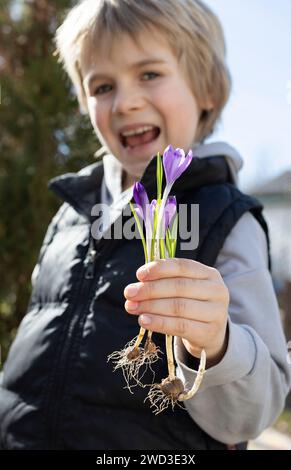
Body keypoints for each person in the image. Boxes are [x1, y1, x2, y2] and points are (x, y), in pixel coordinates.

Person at [0, 0, 290, 450]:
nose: (126, 102)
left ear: (206, 91)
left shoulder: (225, 217)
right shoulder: (72, 214)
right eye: (101, 86)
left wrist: (215, 344)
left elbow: (254, 410)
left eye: (149, 74)